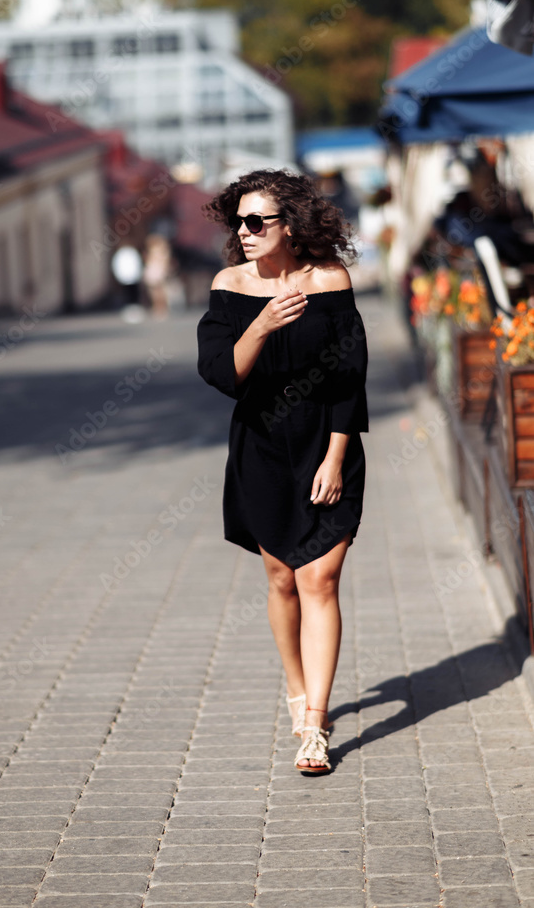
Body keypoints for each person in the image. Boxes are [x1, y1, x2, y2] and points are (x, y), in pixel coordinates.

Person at [196, 169, 369, 774]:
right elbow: (221, 374)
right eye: (237, 222)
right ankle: (296, 689)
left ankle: (315, 726)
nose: (243, 233)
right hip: (261, 447)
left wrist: (336, 455)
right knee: (281, 578)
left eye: (255, 222)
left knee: (320, 578)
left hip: (326, 443)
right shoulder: (229, 285)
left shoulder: (329, 280)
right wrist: (263, 323)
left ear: (289, 225)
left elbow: (351, 375)